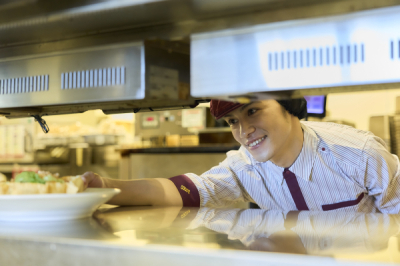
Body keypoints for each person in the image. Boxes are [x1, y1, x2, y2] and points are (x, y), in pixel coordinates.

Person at [83, 98, 400, 213]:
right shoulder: (244, 166)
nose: (244, 130)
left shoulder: (357, 154)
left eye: (253, 111)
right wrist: (104, 185)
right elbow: (186, 191)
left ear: (288, 104)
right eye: (234, 121)